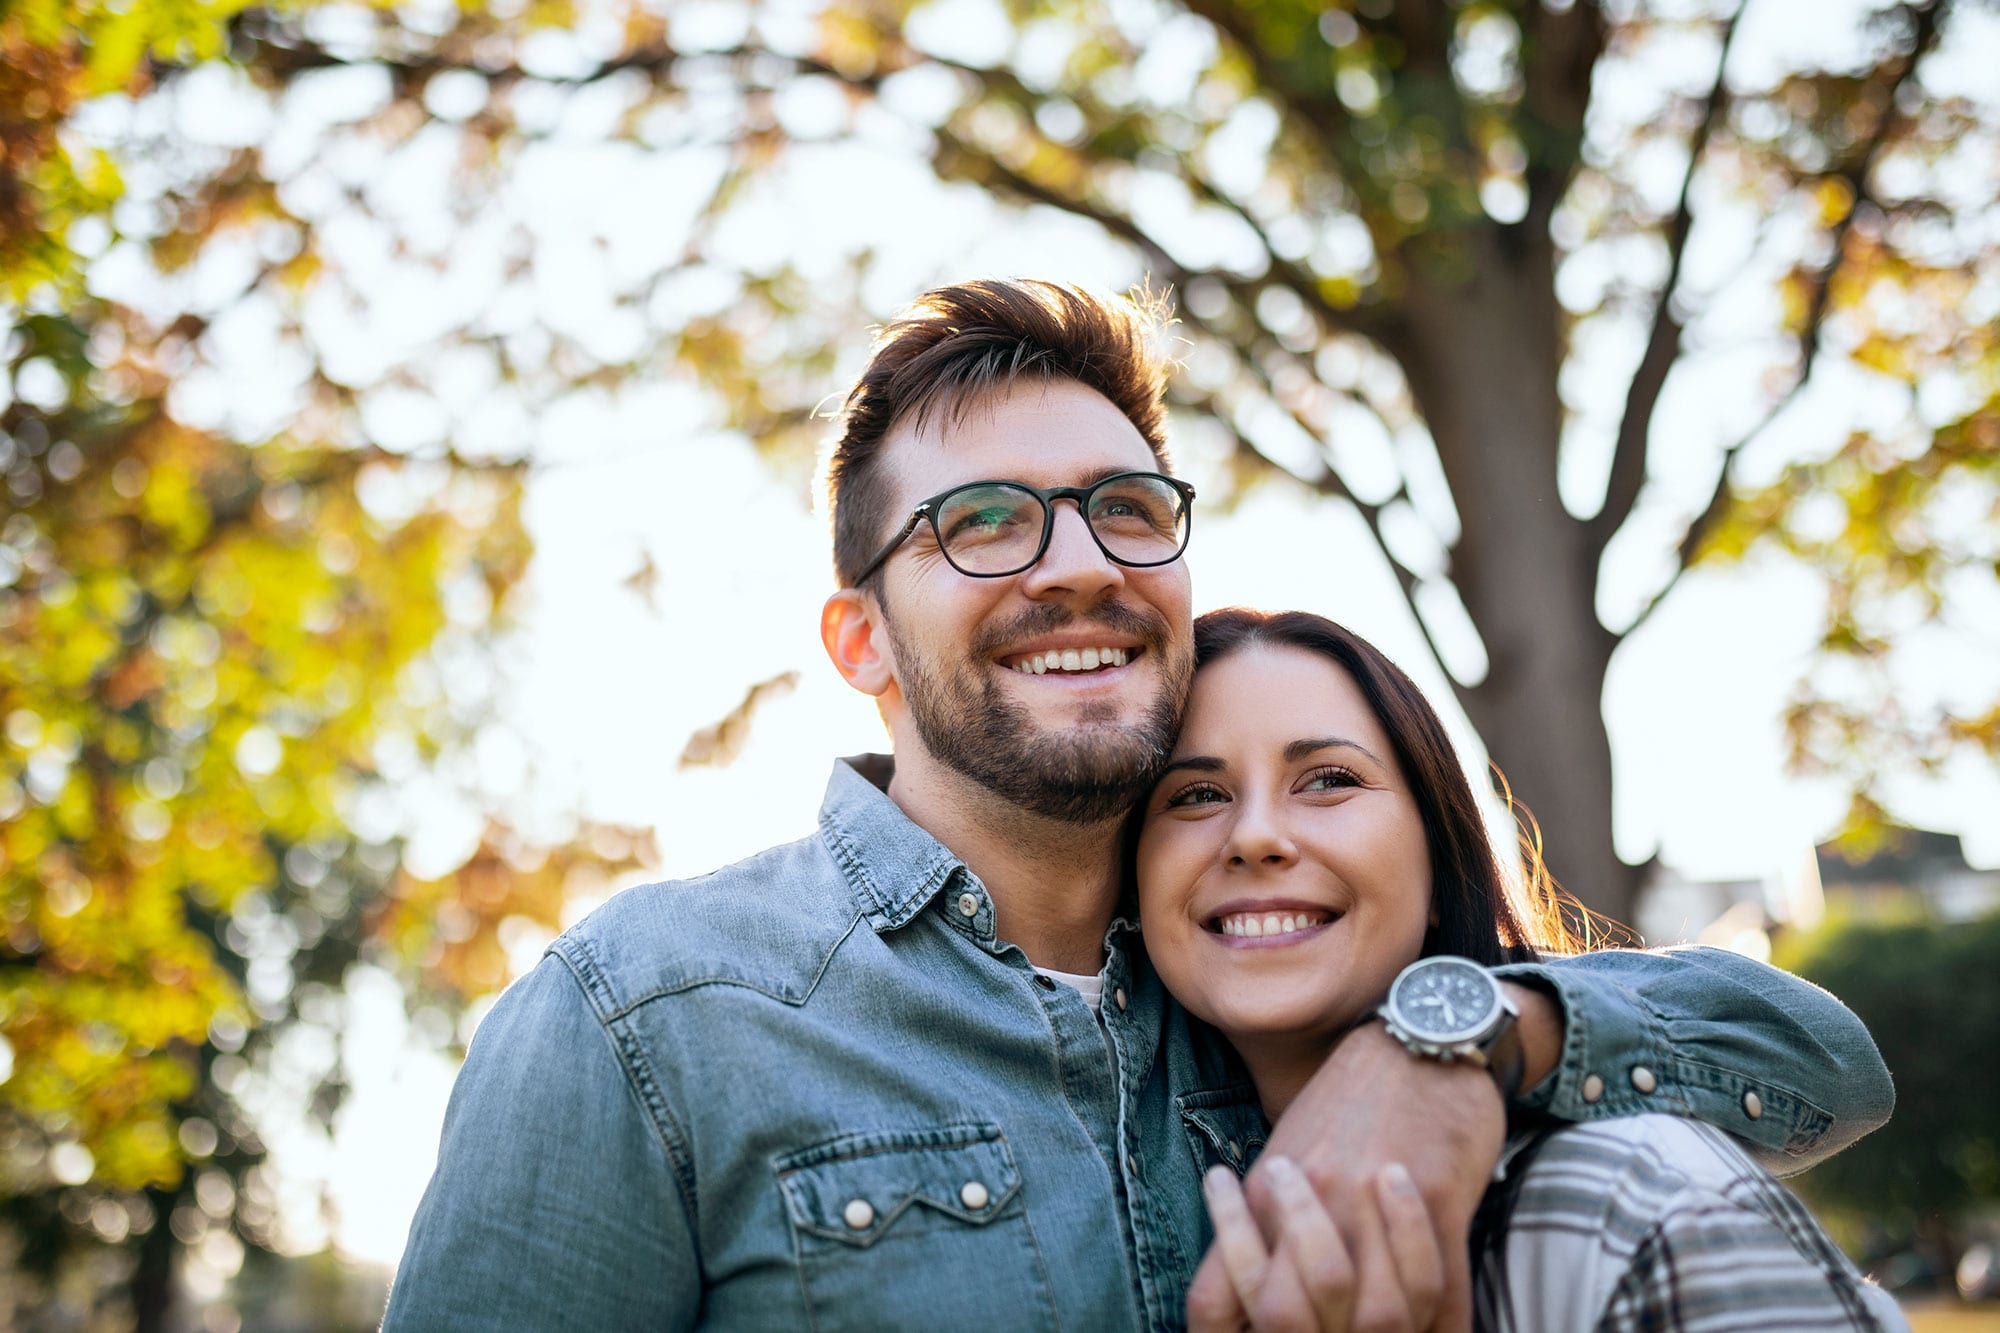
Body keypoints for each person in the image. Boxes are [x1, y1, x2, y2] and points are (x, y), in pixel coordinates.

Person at [382, 280, 1893, 1330]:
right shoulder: (649, 1016)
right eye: (981, 522)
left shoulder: (1260, 984)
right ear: (861, 642)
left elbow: (1818, 1061)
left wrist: (1452, 1040)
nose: (1077, 564)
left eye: (1124, 508)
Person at [1138, 608, 1904, 1330]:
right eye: (1198, 794)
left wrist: (1445, 1042)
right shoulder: (1117, 1176)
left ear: (1438, 859)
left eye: (1330, 779)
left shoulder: (1628, 1192)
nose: (1256, 836)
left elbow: (1840, 1058)